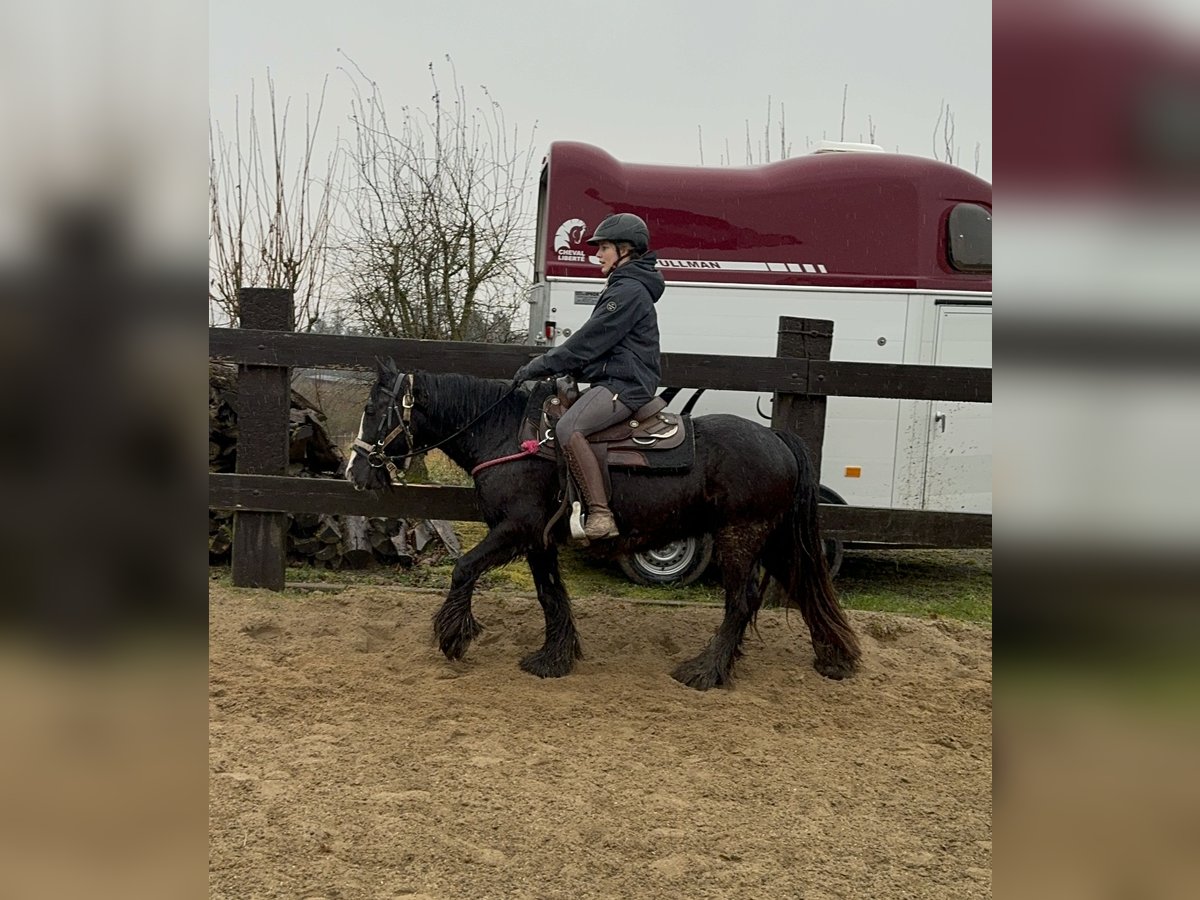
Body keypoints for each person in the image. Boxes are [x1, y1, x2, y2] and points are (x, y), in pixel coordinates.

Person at [512, 213, 664, 539]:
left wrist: (539, 365)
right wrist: (569, 368)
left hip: (625, 387)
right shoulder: (625, 288)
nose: (597, 255)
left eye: (604, 247)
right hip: (615, 381)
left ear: (626, 250)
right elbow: (599, 349)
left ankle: (600, 514)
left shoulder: (629, 292)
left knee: (569, 427)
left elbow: (588, 341)